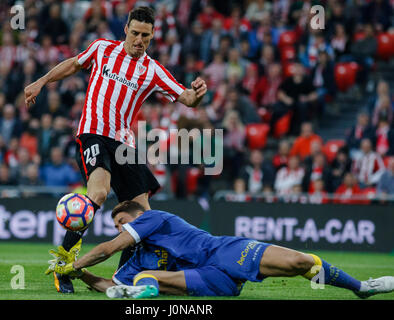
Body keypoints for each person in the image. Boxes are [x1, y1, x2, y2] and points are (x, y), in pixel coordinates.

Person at [24, 6, 207, 293]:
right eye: (135, 33)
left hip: (124, 144)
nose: (139, 40)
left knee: (145, 215)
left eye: (145, 36)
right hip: (93, 134)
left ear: (152, 35)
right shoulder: (102, 49)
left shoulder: (153, 69)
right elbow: (73, 63)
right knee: (98, 193)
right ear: (125, 29)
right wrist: (42, 81)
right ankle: (64, 263)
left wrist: (196, 95)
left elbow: (185, 97)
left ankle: (130, 276)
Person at [46, 200, 394, 299]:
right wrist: (82, 273)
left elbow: (106, 248)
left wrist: (69, 262)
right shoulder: (136, 259)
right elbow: (109, 282)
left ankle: (361, 288)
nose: (120, 229)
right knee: (145, 276)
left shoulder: (154, 218)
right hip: (208, 279)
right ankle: (141, 293)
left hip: (224, 251)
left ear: (137, 217)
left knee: (301, 261)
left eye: (122, 221)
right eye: (117, 226)